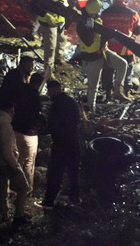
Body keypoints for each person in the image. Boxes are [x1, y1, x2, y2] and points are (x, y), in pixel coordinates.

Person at [69, 0, 128, 110]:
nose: (99, 11)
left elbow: (101, 35)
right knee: (93, 87)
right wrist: (90, 27)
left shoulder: (96, 19)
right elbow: (89, 41)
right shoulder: (82, 24)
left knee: (122, 64)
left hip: (102, 52)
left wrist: (106, 39)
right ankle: (92, 110)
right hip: (91, 58)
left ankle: (117, 91)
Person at [41, 80, 83, 208]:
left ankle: (48, 202)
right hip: (74, 141)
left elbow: (53, 125)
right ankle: (74, 198)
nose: (48, 93)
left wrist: (40, 131)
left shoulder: (57, 104)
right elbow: (78, 119)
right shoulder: (71, 101)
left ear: (55, 89)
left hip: (61, 143)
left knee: (55, 173)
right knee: (73, 172)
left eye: (49, 90)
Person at [0, 98, 31, 224]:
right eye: (12, 111)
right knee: (23, 187)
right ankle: (19, 215)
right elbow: (7, 152)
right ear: (6, 111)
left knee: (3, 188)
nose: (14, 113)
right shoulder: (5, 126)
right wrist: (16, 167)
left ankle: (4, 214)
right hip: (6, 164)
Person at [100, 0, 140, 97]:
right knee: (127, 72)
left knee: (108, 71)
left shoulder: (105, 13)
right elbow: (138, 30)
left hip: (109, 49)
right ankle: (125, 94)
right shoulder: (133, 13)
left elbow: (100, 30)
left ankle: (108, 94)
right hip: (125, 50)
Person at [35, 0, 69, 85]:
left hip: (60, 18)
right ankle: (48, 72)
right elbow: (36, 6)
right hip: (49, 21)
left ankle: (59, 58)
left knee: (61, 40)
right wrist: (45, 15)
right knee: (50, 46)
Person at [13, 72, 45, 193]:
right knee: (29, 162)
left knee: (17, 160)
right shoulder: (35, 95)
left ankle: (14, 185)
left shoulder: (20, 91)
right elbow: (36, 114)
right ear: (39, 83)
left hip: (16, 130)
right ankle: (26, 189)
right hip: (29, 133)